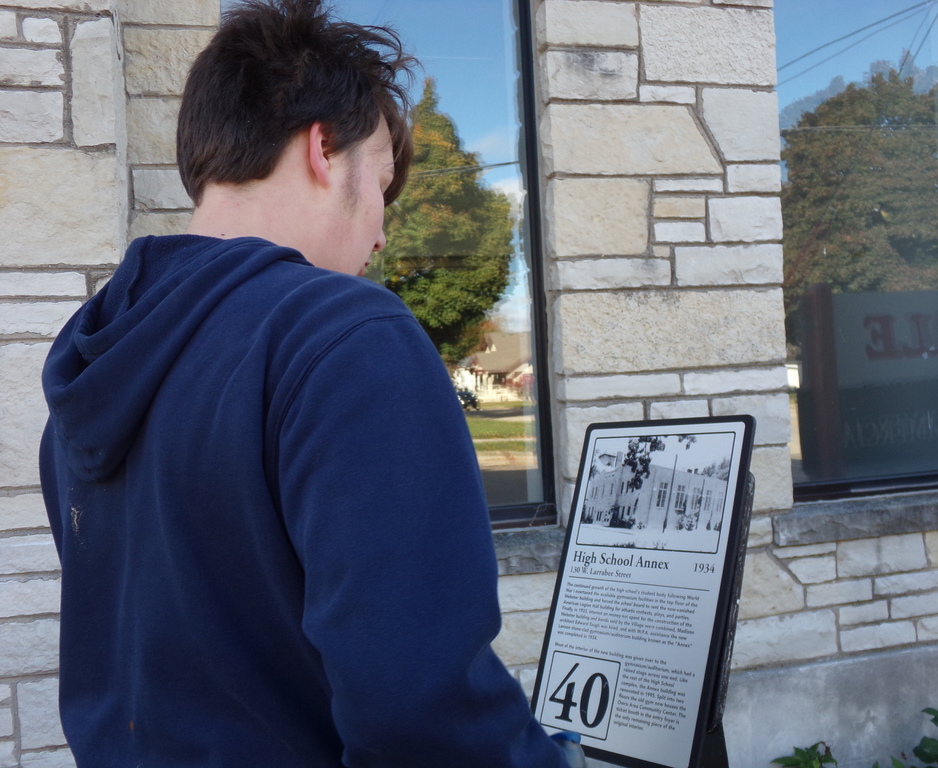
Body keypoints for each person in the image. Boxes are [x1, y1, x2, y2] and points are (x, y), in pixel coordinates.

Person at [38, 1, 583, 765]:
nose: (383, 233)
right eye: (384, 187)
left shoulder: (94, 367)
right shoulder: (344, 335)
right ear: (324, 148)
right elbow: (422, 712)